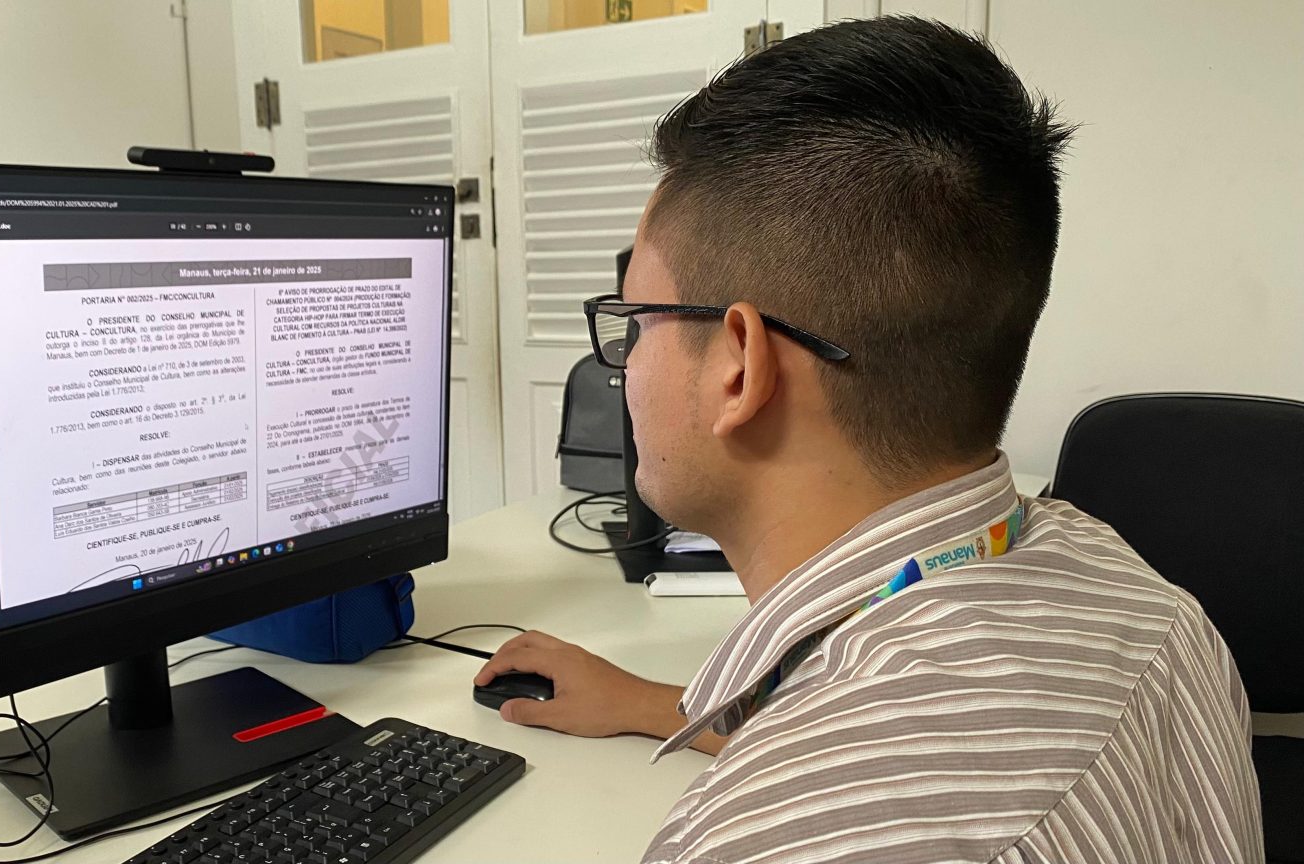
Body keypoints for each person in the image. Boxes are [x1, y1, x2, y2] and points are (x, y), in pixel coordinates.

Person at [474, 16, 1263, 863]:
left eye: (637, 321)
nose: (626, 362)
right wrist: (646, 702)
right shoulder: (1137, 595)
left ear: (738, 367)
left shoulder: (754, 842)